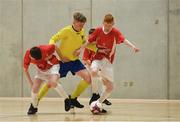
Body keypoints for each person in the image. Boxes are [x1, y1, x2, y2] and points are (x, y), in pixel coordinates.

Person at [37, 12, 93, 111]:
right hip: (62, 62)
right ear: (74, 22)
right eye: (80, 24)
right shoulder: (66, 30)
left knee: (88, 78)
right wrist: (54, 52)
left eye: (83, 25)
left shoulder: (82, 31)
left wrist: (97, 49)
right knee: (50, 83)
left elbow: (84, 43)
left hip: (74, 62)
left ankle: (73, 98)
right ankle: (35, 101)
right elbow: (53, 39)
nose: (81, 27)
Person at [88, 14, 140, 112]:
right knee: (93, 71)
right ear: (103, 23)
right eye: (106, 25)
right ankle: (95, 94)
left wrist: (133, 46)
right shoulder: (98, 30)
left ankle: (99, 102)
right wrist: (80, 48)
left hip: (108, 63)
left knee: (110, 87)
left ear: (113, 24)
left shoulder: (115, 32)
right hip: (98, 59)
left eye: (110, 26)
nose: (108, 28)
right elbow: (88, 41)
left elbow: (123, 39)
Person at [24, 44, 68, 115]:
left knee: (53, 83)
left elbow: (55, 46)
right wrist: (31, 83)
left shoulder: (47, 49)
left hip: (53, 66)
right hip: (41, 69)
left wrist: (62, 58)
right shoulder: (28, 54)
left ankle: (66, 99)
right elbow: (25, 69)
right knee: (34, 88)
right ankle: (33, 106)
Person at [82, 28, 112, 107]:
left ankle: (102, 98)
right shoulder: (88, 46)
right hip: (89, 67)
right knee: (95, 76)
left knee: (104, 80)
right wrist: (89, 62)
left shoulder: (100, 45)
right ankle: (95, 95)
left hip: (98, 67)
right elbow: (85, 59)